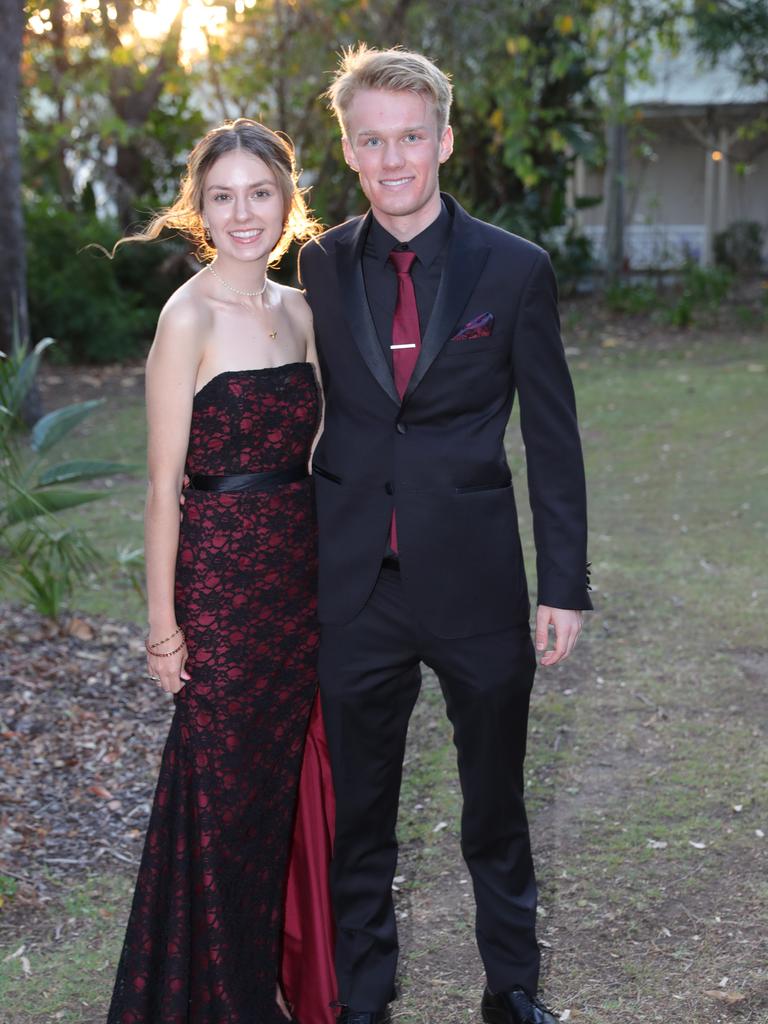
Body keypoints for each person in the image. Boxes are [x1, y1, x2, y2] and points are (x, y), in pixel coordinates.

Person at [298, 47, 592, 1024]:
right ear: (349, 149)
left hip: (476, 587)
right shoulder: (321, 266)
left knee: (495, 812)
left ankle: (511, 990)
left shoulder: (515, 269)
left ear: (446, 141)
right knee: (360, 825)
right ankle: (363, 1000)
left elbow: (551, 438)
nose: (393, 160)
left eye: (411, 137)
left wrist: (564, 585)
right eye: (372, 140)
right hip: (356, 593)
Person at [107, 119, 336, 1024]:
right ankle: (211, 1000)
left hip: (299, 584)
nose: (243, 214)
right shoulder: (187, 315)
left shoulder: (301, 309)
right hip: (223, 588)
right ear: (199, 210)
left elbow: (322, 454)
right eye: (222, 196)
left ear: (287, 199)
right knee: (221, 799)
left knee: (277, 796)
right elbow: (162, 487)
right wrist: (163, 626)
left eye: (260, 193)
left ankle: (265, 988)